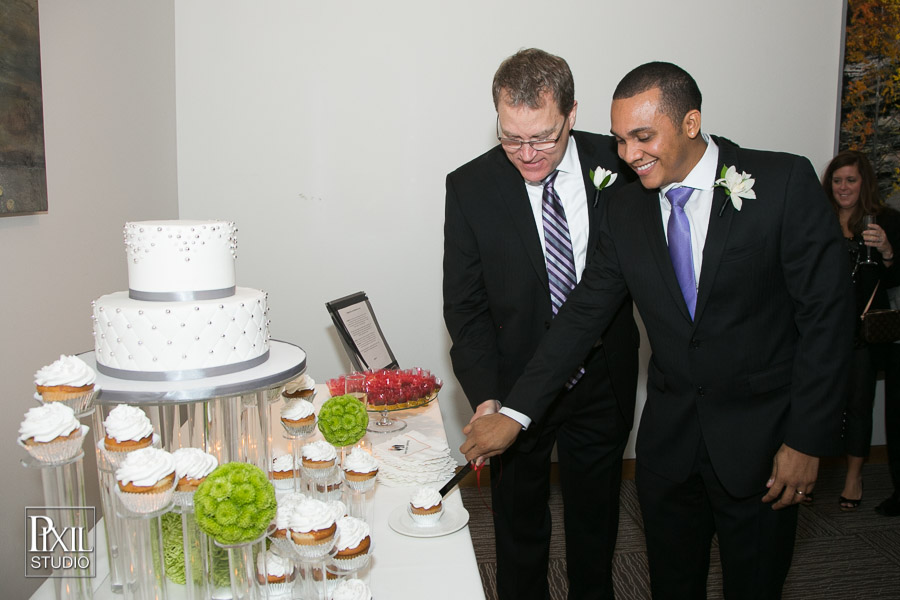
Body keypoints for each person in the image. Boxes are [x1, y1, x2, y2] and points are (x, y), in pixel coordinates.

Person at [461, 61, 854, 599]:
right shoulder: (626, 206)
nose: (627, 155)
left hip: (762, 445)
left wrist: (807, 439)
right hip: (668, 451)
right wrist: (514, 412)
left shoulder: (783, 182)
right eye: (620, 139)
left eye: (643, 137)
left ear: (690, 122)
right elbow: (581, 316)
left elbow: (827, 321)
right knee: (671, 584)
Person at [443, 48, 639, 600]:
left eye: (544, 138)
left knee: (596, 525)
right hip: (513, 388)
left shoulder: (620, 166)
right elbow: (466, 307)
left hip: (601, 380)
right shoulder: (471, 187)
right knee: (518, 527)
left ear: (572, 114)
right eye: (511, 138)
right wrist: (485, 398)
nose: (527, 154)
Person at [822, 150, 900, 511]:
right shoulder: (819, 218)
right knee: (818, 402)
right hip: (821, 328)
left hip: (862, 332)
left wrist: (886, 250)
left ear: (863, 182)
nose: (843, 187)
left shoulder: (886, 221)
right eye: (837, 180)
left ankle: (854, 478)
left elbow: (895, 277)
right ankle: (812, 471)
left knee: (857, 404)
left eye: (850, 180)